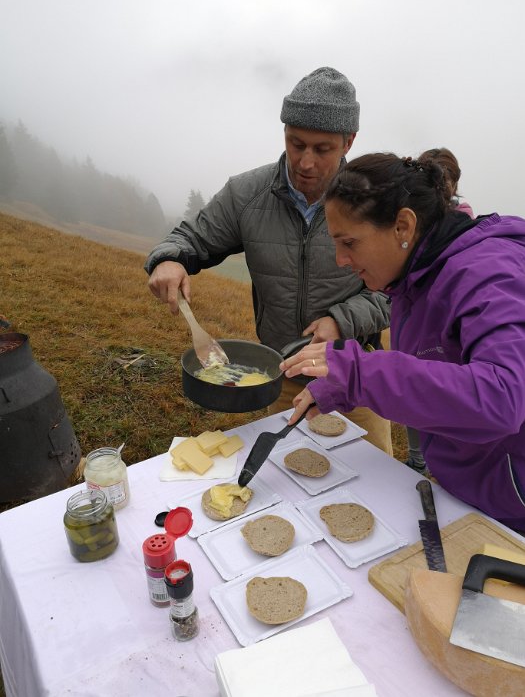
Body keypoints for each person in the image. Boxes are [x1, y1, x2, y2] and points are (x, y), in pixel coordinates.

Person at [145, 67, 392, 454]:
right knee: (278, 482)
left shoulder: (376, 203)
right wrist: (170, 259)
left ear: (349, 142)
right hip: (279, 377)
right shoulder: (246, 194)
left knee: (372, 488)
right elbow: (189, 238)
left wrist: (342, 321)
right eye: (296, 144)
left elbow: (398, 291)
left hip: (355, 377)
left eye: (322, 149)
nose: (305, 162)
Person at [280, 152, 525, 532]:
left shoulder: (490, 274)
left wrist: (359, 373)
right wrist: (344, 387)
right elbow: (435, 372)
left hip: (514, 502)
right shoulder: (413, 277)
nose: (340, 259)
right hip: (471, 489)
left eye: (349, 242)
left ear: (403, 226)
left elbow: (502, 398)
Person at [404, 147, 475, 474]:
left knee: (433, 393)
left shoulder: (464, 228)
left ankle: (432, 465)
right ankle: (420, 462)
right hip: (422, 328)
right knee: (415, 394)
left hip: (442, 333)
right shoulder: (416, 226)